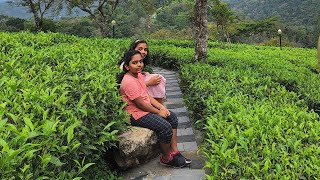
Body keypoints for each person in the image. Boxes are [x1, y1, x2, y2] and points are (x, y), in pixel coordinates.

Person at [117, 50, 191, 168]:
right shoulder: (128, 81)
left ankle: (174, 151)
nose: (139, 65)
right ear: (127, 66)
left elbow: (147, 96)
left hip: (145, 109)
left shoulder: (139, 75)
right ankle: (166, 158)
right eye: (134, 63)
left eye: (140, 62)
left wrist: (162, 107)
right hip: (135, 114)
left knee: (172, 117)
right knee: (165, 128)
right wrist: (158, 112)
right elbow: (141, 104)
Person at [120, 39, 166, 105]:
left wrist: (142, 73)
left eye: (145, 50)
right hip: (134, 94)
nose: (143, 52)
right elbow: (127, 84)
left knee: (159, 78)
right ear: (133, 49)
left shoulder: (140, 63)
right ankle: (160, 107)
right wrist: (149, 83)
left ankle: (160, 106)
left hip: (139, 84)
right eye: (140, 49)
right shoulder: (125, 65)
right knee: (157, 82)